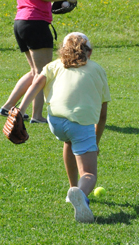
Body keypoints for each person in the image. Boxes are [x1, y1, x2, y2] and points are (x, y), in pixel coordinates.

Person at [16, 32, 110, 223]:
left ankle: (72, 190)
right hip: (80, 123)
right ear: (89, 52)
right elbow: (102, 114)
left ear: (62, 51)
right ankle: (81, 195)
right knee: (90, 174)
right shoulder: (97, 69)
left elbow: (36, 84)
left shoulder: (54, 65)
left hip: (56, 122)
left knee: (69, 140)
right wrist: (96, 141)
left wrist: (20, 110)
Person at [0, 0, 77, 123]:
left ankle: (8, 107)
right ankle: (36, 115)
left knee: (36, 72)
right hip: (35, 23)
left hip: (22, 23)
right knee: (44, 73)